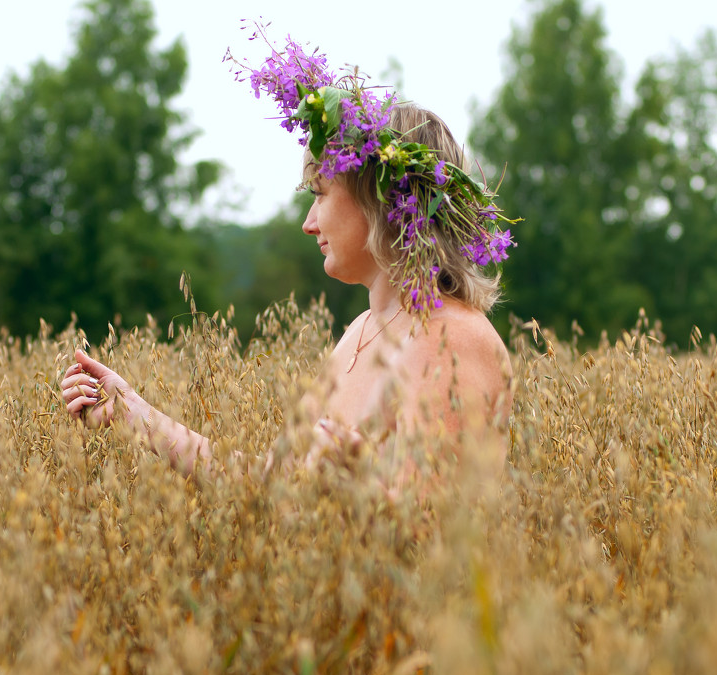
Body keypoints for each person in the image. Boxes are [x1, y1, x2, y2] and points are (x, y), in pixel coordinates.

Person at [61, 32, 516, 476]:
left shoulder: (455, 340)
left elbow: (445, 530)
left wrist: (355, 482)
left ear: (380, 198)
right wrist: (133, 412)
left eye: (320, 193)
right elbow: (270, 484)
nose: (308, 222)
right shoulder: (361, 332)